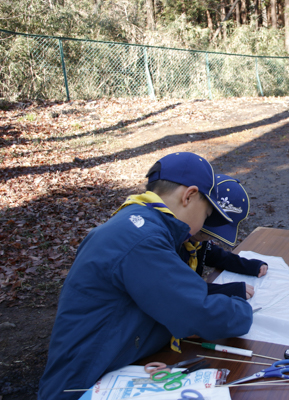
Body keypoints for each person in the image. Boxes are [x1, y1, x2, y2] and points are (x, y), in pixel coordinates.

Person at [38, 152, 254, 399]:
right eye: (206, 214)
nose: (205, 222)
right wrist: (242, 309)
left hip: (111, 364)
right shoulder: (143, 239)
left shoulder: (136, 222)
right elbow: (198, 312)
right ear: (189, 196)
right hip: (84, 384)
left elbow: (169, 295)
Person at [184, 174, 268, 300]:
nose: (207, 237)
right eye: (207, 227)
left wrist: (250, 266)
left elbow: (215, 255)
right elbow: (178, 289)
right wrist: (227, 291)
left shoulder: (197, 240)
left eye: (215, 233)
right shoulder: (171, 244)